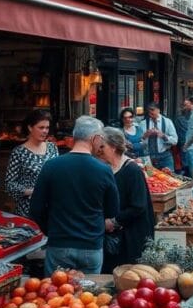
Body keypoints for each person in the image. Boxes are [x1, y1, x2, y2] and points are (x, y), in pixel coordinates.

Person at [30, 116, 120, 276]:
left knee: (55, 296)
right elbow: (112, 210)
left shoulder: (51, 166)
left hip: (59, 242)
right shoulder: (103, 170)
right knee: (88, 297)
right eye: (101, 140)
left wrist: (51, 230)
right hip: (91, 244)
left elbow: (36, 209)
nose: (101, 146)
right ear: (94, 138)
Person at [95, 128, 155, 273]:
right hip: (111, 238)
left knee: (129, 276)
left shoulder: (132, 170)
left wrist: (114, 221)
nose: (99, 150)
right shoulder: (104, 169)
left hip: (131, 237)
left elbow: (138, 206)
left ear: (113, 147)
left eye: (103, 146)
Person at [5, 110, 60, 217]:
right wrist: (33, 191)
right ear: (30, 128)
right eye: (41, 127)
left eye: (47, 128)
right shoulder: (19, 152)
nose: (45, 131)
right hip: (28, 209)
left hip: (52, 208)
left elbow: (58, 175)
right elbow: (10, 185)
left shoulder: (52, 147)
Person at [142, 103, 178, 170]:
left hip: (165, 156)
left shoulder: (168, 122)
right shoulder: (143, 123)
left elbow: (175, 141)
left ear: (158, 110)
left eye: (153, 110)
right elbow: (139, 141)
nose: (151, 114)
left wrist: (163, 136)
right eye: (149, 111)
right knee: (149, 178)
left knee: (169, 177)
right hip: (148, 157)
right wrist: (145, 135)